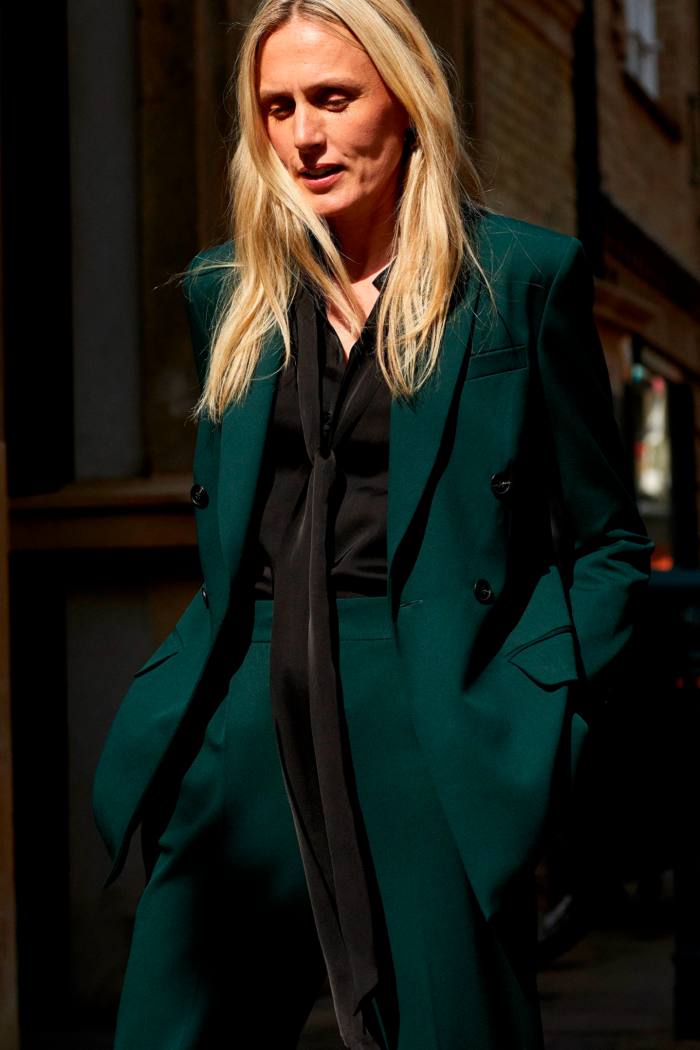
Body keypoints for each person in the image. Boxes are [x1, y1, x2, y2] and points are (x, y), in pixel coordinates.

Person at [92, 0, 655, 1047]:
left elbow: (605, 542)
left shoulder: (518, 280)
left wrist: (537, 708)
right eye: (277, 107)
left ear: (405, 103)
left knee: (453, 1030)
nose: (303, 133)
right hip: (247, 707)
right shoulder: (231, 290)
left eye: (332, 99)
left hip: (434, 713)